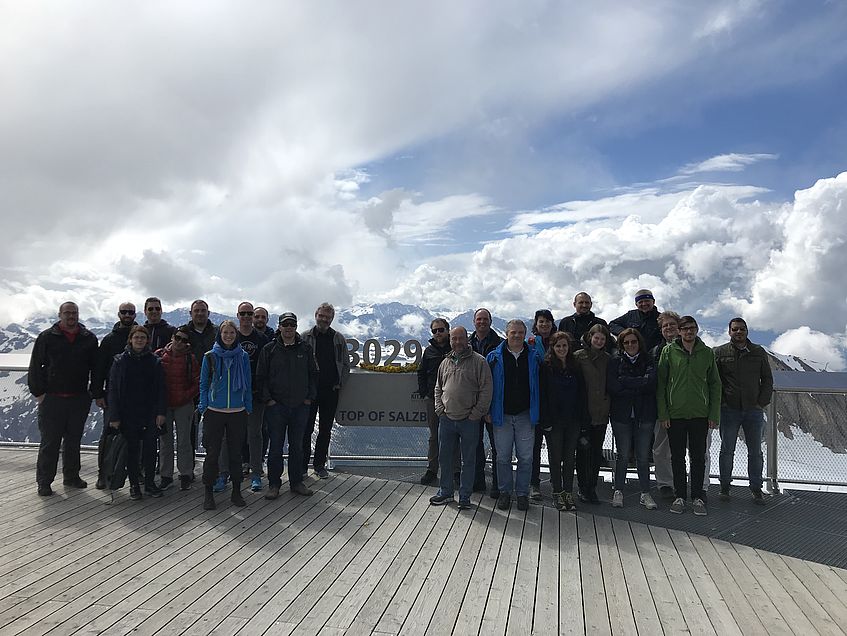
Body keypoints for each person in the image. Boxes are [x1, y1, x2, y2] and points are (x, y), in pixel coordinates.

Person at [28, 301, 98, 496]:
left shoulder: (88, 339)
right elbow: (35, 366)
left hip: (78, 398)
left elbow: (96, 367)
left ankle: (72, 476)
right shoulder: (47, 337)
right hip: (52, 399)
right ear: (59, 315)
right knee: (50, 442)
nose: (71, 316)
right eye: (67, 313)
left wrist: (92, 392)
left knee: (73, 441)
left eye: (74, 313)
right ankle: (44, 482)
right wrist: (39, 393)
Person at [657, 315, 721, 516]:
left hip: (700, 414)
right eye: (684, 329)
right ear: (679, 331)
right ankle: (680, 495)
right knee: (677, 457)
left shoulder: (707, 353)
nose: (688, 332)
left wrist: (713, 413)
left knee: (698, 456)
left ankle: (698, 496)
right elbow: (661, 384)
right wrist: (663, 413)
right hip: (675, 414)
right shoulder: (668, 352)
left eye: (692, 328)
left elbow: (714, 384)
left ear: (697, 329)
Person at [257, 312, 319, 501]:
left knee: (297, 447)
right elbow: (261, 377)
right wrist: (268, 400)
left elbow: (314, 375)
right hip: (276, 407)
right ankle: (274, 485)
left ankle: (296, 482)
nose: (289, 328)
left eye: (292, 324)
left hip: (300, 406)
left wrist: (309, 398)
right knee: (275, 447)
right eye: (285, 324)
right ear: (279, 327)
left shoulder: (306, 349)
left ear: (296, 326)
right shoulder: (269, 349)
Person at [430, 327, 493, 509]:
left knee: (468, 460)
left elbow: (486, 390)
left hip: (469, 421)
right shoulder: (446, 362)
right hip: (447, 419)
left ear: (467, 340)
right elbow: (438, 387)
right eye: (454, 339)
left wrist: (475, 414)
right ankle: (446, 492)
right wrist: (439, 408)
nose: (457, 342)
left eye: (460, 339)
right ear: (450, 341)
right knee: (445, 458)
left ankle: (465, 496)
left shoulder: (479, 362)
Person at [714, 318, 774, 504]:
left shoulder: (758, 352)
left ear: (747, 331)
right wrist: (722, 402)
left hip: (753, 410)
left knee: (755, 452)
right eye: (735, 329)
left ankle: (756, 488)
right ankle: (724, 487)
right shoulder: (720, 352)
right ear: (729, 332)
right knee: (727, 450)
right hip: (729, 409)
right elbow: (715, 380)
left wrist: (761, 402)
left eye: (742, 329)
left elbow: (767, 379)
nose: (738, 332)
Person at [486, 319, 541, 511]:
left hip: (526, 414)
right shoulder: (493, 357)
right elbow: (487, 386)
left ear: (525, 334)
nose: (516, 336)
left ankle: (522, 493)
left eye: (520, 332)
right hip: (502, 415)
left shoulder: (534, 356)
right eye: (513, 332)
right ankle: (505, 492)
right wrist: (488, 411)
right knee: (502, 457)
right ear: (506, 334)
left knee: (526, 457)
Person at [108, 325, 167, 499]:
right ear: (131, 339)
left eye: (143, 337)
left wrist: (161, 412)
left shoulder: (154, 361)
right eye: (136, 337)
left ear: (147, 340)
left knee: (150, 450)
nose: (139, 340)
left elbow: (161, 389)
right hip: (128, 413)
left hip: (149, 412)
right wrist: (114, 415)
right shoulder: (119, 361)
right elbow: (112, 389)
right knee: (132, 451)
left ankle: (149, 483)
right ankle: (134, 485)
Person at [198, 320, 252, 510]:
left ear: (236, 335)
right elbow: (203, 383)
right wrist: (204, 405)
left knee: (235, 454)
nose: (228, 336)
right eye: (225, 332)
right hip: (214, 411)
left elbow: (247, 382)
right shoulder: (210, 356)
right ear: (219, 335)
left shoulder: (242, 356)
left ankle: (236, 491)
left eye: (231, 333)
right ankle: (208, 492)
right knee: (212, 454)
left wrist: (248, 405)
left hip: (237, 412)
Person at [607, 328, 658, 510]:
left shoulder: (649, 359)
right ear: (621, 345)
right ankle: (618, 490)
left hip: (645, 415)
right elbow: (613, 387)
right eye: (626, 342)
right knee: (622, 455)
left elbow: (651, 383)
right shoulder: (614, 362)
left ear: (639, 343)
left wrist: (626, 381)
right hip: (622, 416)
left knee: (643, 457)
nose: (630, 345)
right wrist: (639, 383)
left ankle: (645, 493)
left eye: (633, 342)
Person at [301, 302, 351, 480]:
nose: (324, 319)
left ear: (332, 319)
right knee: (305, 429)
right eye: (321, 316)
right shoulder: (305, 337)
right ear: (316, 315)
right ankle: (302, 466)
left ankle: (319, 465)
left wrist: (340, 383)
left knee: (325, 429)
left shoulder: (338, 339)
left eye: (327, 317)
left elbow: (346, 364)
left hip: (330, 390)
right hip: (309, 391)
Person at [91, 302, 138, 489]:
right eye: (124, 312)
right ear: (119, 314)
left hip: (136, 397)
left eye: (131, 312)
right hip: (113, 396)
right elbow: (99, 368)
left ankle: (135, 473)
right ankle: (103, 473)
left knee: (135, 437)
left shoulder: (141, 336)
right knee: (109, 435)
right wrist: (98, 393)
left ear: (135, 315)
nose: (127, 315)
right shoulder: (110, 340)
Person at [538, 332, 584, 511]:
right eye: (558, 346)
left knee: (569, 459)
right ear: (552, 348)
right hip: (554, 421)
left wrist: (581, 417)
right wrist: (545, 420)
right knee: (555, 458)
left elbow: (581, 393)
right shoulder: (546, 367)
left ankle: (568, 492)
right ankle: (557, 492)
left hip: (573, 420)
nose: (562, 349)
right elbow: (543, 395)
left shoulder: (575, 366)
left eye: (564, 346)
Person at [229, 301, 269, 493]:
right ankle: (233, 470)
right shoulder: (229, 337)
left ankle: (256, 473)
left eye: (249, 314)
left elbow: (266, 368)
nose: (246, 317)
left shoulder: (261, 339)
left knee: (254, 434)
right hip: (233, 394)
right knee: (234, 434)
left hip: (254, 395)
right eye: (243, 313)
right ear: (237, 315)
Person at [156, 326, 200, 491]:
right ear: (172, 337)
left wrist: (186, 396)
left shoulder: (191, 359)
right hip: (164, 405)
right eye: (178, 338)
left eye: (184, 340)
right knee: (165, 441)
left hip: (183, 405)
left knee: (184, 442)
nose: (180, 342)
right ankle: (165, 475)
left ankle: (185, 474)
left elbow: (197, 382)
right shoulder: (160, 355)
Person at [573, 324, 611, 504]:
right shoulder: (579, 357)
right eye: (596, 338)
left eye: (602, 339)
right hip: (582, 413)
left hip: (601, 414)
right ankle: (582, 487)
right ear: (590, 337)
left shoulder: (608, 359)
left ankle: (592, 487)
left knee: (596, 453)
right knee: (582, 453)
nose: (599, 341)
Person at [468, 307, 503, 498]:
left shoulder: (499, 344)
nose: (482, 322)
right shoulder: (466, 344)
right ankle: (478, 481)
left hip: (493, 402)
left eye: (485, 319)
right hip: (472, 403)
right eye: (479, 319)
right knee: (475, 444)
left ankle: (497, 484)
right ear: (474, 322)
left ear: (490, 321)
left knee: (497, 446)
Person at [417, 318, 453, 486]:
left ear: (448, 330)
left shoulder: (456, 347)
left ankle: (456, 471)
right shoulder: (429, 351)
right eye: (435, 331)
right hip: (433, 400)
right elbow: (421, 372)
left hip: (454, 401)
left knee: (455, 437)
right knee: (434, 437)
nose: (438, 333)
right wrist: (425, 393)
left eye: (441, 330)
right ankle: (432, 470)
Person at [650, 311, 681, 498]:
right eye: (664, 326)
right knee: (661, 449)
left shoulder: (693, 348)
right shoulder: (655, 351)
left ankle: (695, 485)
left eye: (672, 324)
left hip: (689, 408)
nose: (668, 328)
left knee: (694, 450)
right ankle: (665, 484)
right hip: (662, 407)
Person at [528, 309, 557, 501]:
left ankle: (558, 485)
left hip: (555, 403)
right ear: (536, 325)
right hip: (536, 402)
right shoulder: (530, 344)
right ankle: (534, 484)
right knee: (534, 448)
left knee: (556, 449)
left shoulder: (560, 341)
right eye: (541, 321)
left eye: (547, 321)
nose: (544, 324)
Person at [183, 299, 216, 363]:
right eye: (196, 310)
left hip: (214, 371)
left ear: (208, 313)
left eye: (203, 310)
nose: (200, 313)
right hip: (189, 371)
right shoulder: (183, 333)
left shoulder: (218, 333)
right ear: (190, 313)